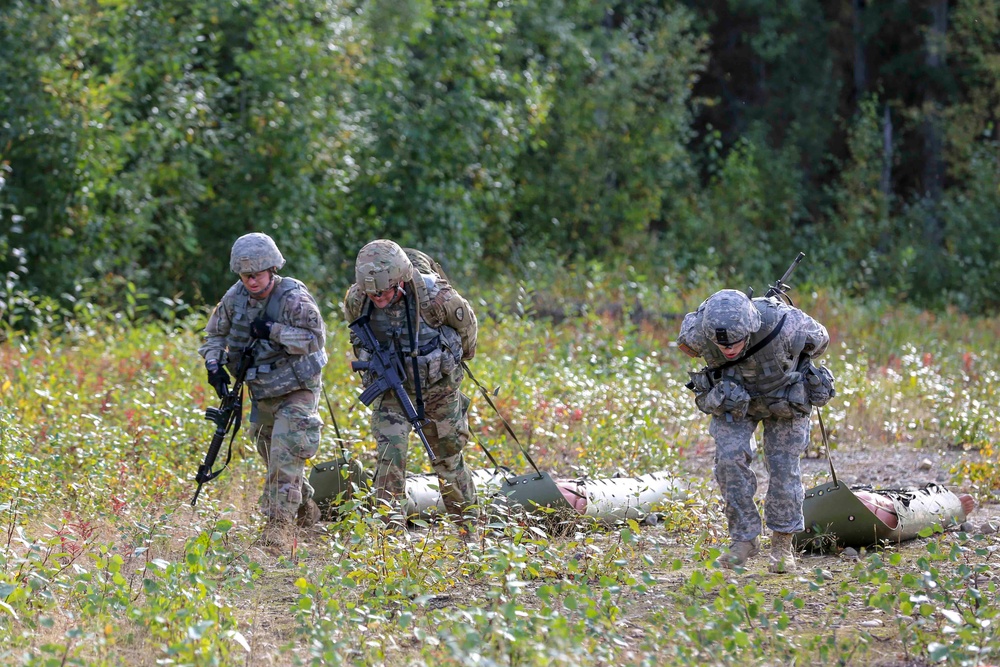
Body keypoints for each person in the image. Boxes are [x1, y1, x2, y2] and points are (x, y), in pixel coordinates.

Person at [677, 288, 835, 572]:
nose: (728, 350)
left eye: (735, 343)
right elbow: (689, 347)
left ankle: (782, 546)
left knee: (784, 469)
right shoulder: (697, 332)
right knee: (728, 461)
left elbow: (821, 340)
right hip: (734, 400)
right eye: (721, 345)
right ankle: (744, 539)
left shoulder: (787, 323)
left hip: (784, 399)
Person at [198, 232, 328, 550]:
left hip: (297, 387)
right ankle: (307, 510)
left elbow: (315, 339)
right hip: (263, 391)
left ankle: (276, 533)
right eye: (245, 275)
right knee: (273, 457)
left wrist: (274, 331)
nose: (251, 281)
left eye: (256, 274)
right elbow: (214, 335)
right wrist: (213, 365)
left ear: (271, 269)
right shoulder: (235, 297)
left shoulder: (293, 298)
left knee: (285, 456)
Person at [342, 239, 478, 534]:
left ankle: (469, 534)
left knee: (448, 462)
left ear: (400, 280)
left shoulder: (435, 296)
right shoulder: (357, 299)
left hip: (438, 392)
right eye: (372, 293)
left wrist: (446, 363)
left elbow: (468, 331)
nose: (377, 298)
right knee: (389, 462)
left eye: (384, 292)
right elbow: (357, 336)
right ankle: (389, 538)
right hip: (391, 392)